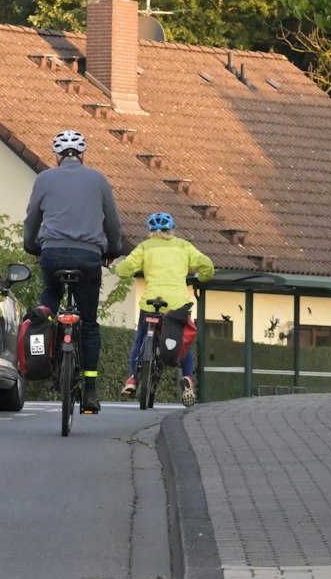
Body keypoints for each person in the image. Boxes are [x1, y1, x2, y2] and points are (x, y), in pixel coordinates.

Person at [22, 130, 123, 414]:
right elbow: (113, 223)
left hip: (52, 254)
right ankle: (90, 389)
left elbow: (32, 219)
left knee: (51, 292)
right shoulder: (99, 180)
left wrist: (32, 246)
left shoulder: (44, 179)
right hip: (89, 257)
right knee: (89, 323)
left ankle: (44, 313)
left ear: (56, 157)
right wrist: (112, 250)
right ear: (83, 155)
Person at [113, 213, 215, 406]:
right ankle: (186, 378)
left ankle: (133, 379)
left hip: (151, 302)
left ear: (151, 232)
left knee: (141, 338)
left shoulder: (145, 247)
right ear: (172, 230)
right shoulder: (183, 246)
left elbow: (127, 268)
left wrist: (117, 270)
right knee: (183, 342)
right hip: (177, 304)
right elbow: (206, 265)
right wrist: (202, 278)